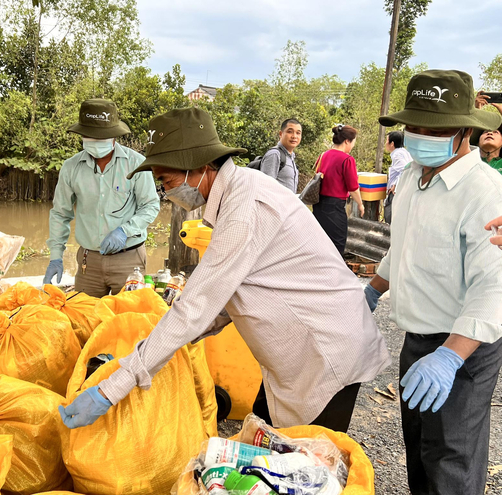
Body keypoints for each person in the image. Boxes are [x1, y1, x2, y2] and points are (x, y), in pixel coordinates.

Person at [59, 107, 391, 434]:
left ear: (198, 167)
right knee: (263, 441)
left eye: (166, 180)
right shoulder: (237, 191)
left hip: (324, 351)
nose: (166, 191)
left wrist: (110, 390)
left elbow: (196, 306)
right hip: (298, 353)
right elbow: (223, 300)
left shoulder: (244, 207)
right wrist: (170, 341)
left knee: (304, 468)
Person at [364, 70, 502, 495]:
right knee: (421, 450)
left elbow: (493, 287)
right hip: (418, 340)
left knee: (451, 459)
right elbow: (401, 249)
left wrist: (450, 357)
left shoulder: (484, 191)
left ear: (465, 132)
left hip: (463, 348)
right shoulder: (412, 177)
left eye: (435, 129)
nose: (421, 136)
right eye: (415, 127)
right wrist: (371, 290)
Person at [44, 98, 160, 297]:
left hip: (129, 259)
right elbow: (60, 214)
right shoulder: (71, 168)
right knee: (83, 318)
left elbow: (150, 206)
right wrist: (56, 256)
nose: (96, 141)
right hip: (89, 262)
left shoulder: (137, 164)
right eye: (90, 136)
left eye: (102, 136)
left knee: (129, 320)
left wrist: (125, 230)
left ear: (114, 136)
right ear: (82, 135)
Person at [312, 125, 364, 257]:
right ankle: (333, 276)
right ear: (347, 141)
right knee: (337, 245)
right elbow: (353, 187)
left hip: (318, 205)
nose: (352, 146)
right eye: (353, 142)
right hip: (334, 207)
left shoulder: (324, 155)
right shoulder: (347, 159)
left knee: (320, 243)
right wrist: (360, 204)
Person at [260, 118, 302, 193]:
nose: (294, 136)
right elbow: (265, 188)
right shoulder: (274, 155)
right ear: (280, 134)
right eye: (290, 132)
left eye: (298, 133)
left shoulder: (291, 157)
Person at [384, 131, 412, 224]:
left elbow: (405, 168)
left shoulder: (397, 155)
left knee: (390, 217)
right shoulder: (404, 152)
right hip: (404, 189)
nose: (385, 143)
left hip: (396, 192)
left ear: (392, 143)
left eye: (387, 140)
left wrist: (395, 184)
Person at [473, 92, 502, 172]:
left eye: (496, 132)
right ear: (477, 142)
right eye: (485, 132)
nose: (490, 133)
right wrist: (475, 111)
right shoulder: (468, 162)